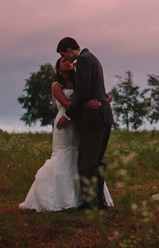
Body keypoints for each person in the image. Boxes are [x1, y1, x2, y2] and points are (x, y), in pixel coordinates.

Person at [19, 57, 113, 211]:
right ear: (58, 68)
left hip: (78, 122)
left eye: (69, 61)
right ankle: (58, 197)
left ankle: (83, 197)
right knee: (64, 155)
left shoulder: (79, 82)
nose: (68, 62)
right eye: (63, 61)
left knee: (80, 157)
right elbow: (68, 104)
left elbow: (88, 94)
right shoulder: (56, 86)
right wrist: (86, 105)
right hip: (65, 122)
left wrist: (104, 98)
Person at [56, 37, 115, 210]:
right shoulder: (92, 58)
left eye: (64, 55)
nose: (66, 60)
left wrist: (67, 116)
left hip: (93, 120)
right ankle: (99, 202)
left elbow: (82, 94)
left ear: (68, 50)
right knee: (98, 162)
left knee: (87, 163)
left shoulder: (82, 60)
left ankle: (90, 204)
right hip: (103, 118)